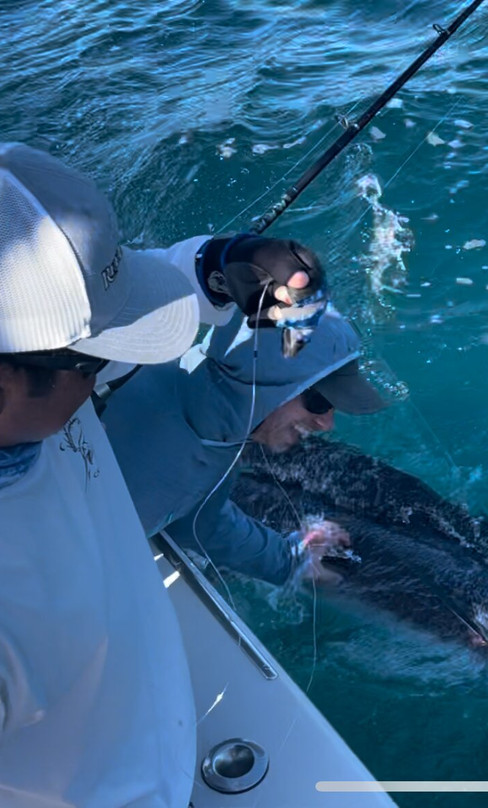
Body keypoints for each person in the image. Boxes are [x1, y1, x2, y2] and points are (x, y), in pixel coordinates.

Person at [0, 142, 332, 807]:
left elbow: (106, 305)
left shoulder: (34, 382)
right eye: (95, 365)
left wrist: (223, 265)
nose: (111, 374)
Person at [104, 307, 387, 586]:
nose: (326, 423)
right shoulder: (136, 421)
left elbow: (200, 524)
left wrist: (290, 559)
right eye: (320, 403)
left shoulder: (219, 440)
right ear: (266, 379)